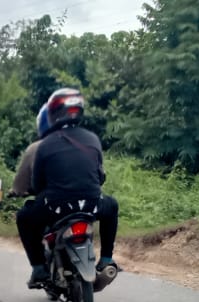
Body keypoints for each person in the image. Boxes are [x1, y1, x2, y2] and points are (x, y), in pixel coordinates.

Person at [12, 88, 119, 288]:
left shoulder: (44, 145)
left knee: (24, 217)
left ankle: (39, 269)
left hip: (55, 208)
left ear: (53, 114)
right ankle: (106, 259)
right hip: (92, 205)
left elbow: (36, 184)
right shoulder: (92, 138)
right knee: (112, 205)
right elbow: (100, 175)